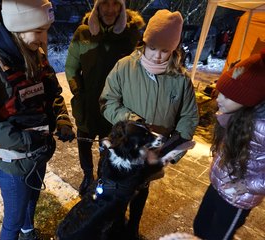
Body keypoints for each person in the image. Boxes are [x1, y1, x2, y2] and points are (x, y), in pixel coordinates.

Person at [0, 0, 75, 239]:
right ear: (17, 28)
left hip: (39, 153)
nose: (44, 39)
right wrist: (23, 139)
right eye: (39, 31)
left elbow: (52, 94)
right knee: (13, 220)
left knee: (32, 201)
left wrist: (61, 119)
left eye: (45, 30)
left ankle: (28, 232)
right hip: (14, 164)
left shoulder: (33, 53)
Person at [99, 9, 199, 239]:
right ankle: (111, 228)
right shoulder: (124, 67)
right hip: (124, 151)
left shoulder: (181, 79)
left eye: (165, 50)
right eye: (152, 47)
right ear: (144, 42)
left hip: (152, 153)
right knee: (114, 195)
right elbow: (107, 101)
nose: (156, 56)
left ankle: (133, 227)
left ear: (174, 49)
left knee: (140, 190)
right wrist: (131, 122)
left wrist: (172, 151)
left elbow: (189, 117)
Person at [65, 0, 145, 195]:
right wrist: (78, 91)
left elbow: (138, 70)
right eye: (104, 4)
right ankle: (87, 175)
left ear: (121, 7)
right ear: (97, 7)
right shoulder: (83, 33)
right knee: (84, 141)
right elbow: (71, 67)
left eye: (115, 4)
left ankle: (102, 176)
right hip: (86, 102)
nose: (110, 9)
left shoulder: (131, 35)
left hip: (114, 106)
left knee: (108, 145)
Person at [193, 49, 265, 240]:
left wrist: (247, 185)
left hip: (238, 198)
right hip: (219, 183)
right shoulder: (237, 114)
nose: (218, 99)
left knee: (219, 236)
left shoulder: (262, 127)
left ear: (247, 98)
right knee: (200, 226)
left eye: (227, 95)